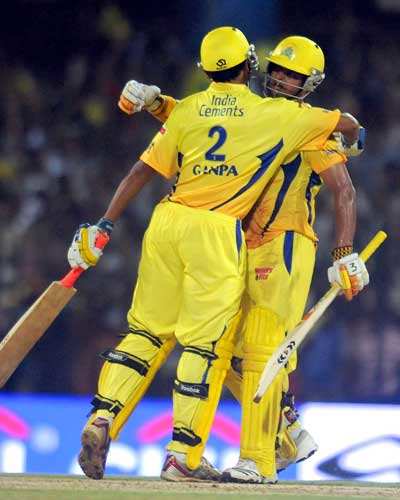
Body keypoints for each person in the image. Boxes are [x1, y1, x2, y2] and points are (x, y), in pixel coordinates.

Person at [69, 27, 360, 483]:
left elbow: (343, 185)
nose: (282, 81)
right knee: (218, 348)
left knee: (251, 342)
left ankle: (256, 458)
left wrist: (344, 250)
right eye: (277, 72)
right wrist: (156, 101)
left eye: (292, 76)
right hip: (229, 237)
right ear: (255, 68)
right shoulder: (271, 113)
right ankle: (263, 436)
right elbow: (206, 114)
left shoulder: (299, 120)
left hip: (277, 240)